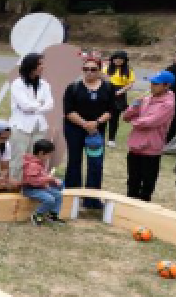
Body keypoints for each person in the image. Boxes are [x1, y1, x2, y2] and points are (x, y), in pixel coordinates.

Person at [62, 55, 117, 196]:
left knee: (95, 163)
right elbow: (68, 111)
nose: (89, 72)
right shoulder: (73, 87)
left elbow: (111, 110)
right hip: (74, 129)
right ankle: (72, 195)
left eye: (93, 69)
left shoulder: (108, 87)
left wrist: (96, 123)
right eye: (85, 69)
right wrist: (84, 123)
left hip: (96, 132)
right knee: (74, 161)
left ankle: (92, 198)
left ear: (99, 70)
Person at [121, 71, 176, 201]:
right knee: (132, 180)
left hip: (151, 148)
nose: (152, 86)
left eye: (156, 84)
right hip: (135, 146)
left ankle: (143, 209)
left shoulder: (167, 104)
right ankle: (129, 206)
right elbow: (126, 117)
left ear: (166, 86)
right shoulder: (146, 99)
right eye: (151, 83)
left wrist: (134, 122)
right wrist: (134, 106)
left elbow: (151, 121)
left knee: (147, 183)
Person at [8, 53, 53, 182]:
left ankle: (32, 186)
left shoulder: (44, 84)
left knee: (36, 160)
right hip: (21, 127)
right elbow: (25, 106)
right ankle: (15, 187)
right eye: (39, 64)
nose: (42, 67)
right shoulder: (18, 83)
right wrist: (39, 105)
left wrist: (35, 107)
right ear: (31, 66)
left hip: (39, 126)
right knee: (18, 159)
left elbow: (50, 105)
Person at [21, 138, 65, 226]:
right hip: (30, 190)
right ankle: (37, 215)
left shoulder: (39, 162)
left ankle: (52, 215)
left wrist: (51, 179)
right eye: (49, 155)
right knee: (50, 199)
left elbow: (41, 176)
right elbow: (32, 181)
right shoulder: (32, 165)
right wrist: (49, 179)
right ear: (41, 153)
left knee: (58, 194)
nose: (49, 157)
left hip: (41, 188)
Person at [104, 51, 134, 148]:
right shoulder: (106, 69)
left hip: (119, 94)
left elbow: (130, 84)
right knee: (102, 115)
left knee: (114, 118)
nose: (117, 60)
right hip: (107, 93)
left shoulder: (128, 71)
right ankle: (98, 136)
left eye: (120, 59)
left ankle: (111, 139)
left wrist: (120, 91)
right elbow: (102, 80)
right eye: (116, 58)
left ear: (124, 60)